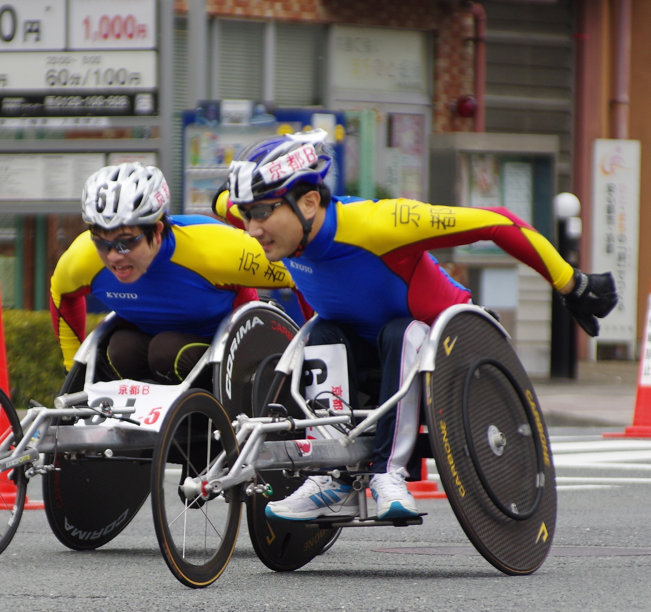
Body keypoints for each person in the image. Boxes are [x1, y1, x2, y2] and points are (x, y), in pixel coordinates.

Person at [216, 130, 617, 521]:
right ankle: (330, 473)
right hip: (360, 348)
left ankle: (387, 473)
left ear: (307, 202)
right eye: (248, 214)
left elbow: (500, 222)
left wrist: (572, 283)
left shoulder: (382, 223)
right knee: (321, 335)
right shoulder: (276, 228)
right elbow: (223, 205)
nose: (251, 228)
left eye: (262, 213)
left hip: (443, 344)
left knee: (401, 332)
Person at [50, 162, 297, 384]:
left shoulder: (214, 248)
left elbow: (300, 272)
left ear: (156, 231)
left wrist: (319, 351)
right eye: (102, 244)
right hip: (159, 351)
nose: (114, 256)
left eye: (125, 243)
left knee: (166, 350)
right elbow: (61, 292)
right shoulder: (83, 258)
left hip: (238, 350)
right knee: (121, 348)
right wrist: (72, 368)